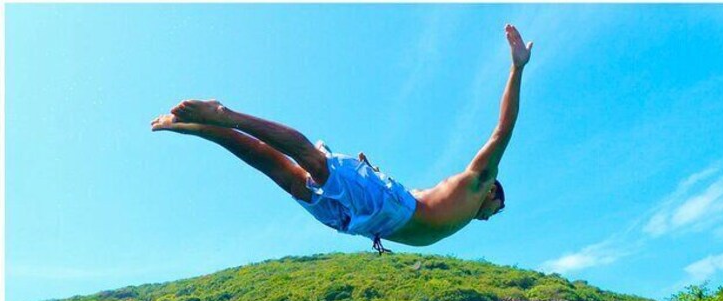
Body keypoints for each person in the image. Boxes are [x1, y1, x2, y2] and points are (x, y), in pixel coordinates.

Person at [151, 24, 532, 253]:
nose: (489, 217)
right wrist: (516, 69)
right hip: (387, 210)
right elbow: (504, 129)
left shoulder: (454, 204)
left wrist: (373, 172)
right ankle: (225, 115)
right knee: (313, 164)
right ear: (492, 192)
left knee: (284, 176)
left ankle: (204, 129)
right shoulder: (476, 182)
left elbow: (412, 195)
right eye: (495, 211)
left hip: (366, 221)